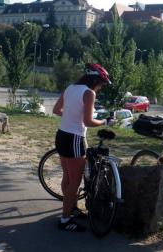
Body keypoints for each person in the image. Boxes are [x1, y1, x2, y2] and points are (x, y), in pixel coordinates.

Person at [52, 63, 112, 232]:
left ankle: (71, 210)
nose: (100, 87)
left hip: (62, 135)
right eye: (101, 83)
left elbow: (57, 110)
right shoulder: (89, 93)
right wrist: (105, 122)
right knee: (75, 182)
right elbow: (88, 122)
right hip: (74, 138)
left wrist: (72, 114)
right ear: (95, 80)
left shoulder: (71, 88)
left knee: (67, 177)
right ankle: (65, 220)